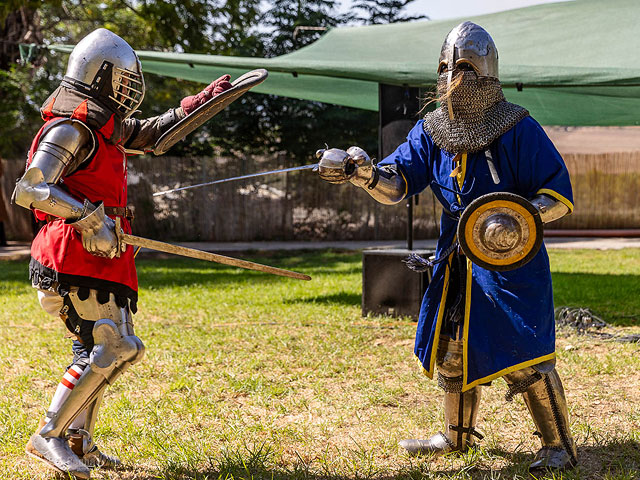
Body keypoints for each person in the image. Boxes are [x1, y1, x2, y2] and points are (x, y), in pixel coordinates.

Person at [316, 22, 576, 472]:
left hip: (508, 260)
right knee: (451, 348)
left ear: (484, 71)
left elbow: (557, 195)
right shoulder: (431, 130)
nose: (452, 78)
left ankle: (558, 445)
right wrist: (366, 175)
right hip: (454, 255)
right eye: (444, 68)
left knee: (523, 354)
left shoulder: (517, 127)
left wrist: (512, 220)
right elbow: (398, 183)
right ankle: (455, 438)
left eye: (462, 68)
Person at [12, 28, 231, 479]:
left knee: (121, 349)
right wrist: (89, 219)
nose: (128, 89)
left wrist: (203, 102)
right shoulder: (70, 127)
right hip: (72, 254)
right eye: (121, 79)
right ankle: (49, 435)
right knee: (108, 344)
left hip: (103, 258)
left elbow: (154, 134)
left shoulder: (103, 128)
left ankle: (79, 440)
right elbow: (31, 189)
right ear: (99, 77)